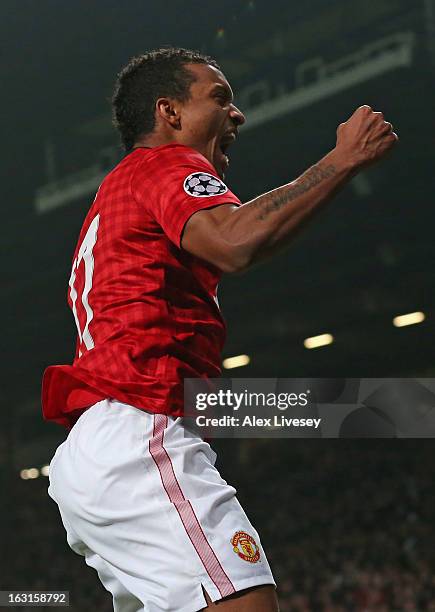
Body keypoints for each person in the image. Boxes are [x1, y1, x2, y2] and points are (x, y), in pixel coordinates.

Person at [42, 47, 398, 612]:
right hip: (141, 431)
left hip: (102, 442)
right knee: (246, 603)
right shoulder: (164, 165)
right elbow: (233, 241)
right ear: (170, 113)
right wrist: (342, 160)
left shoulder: (116, 193)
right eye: (220, 98)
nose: (238, 115)